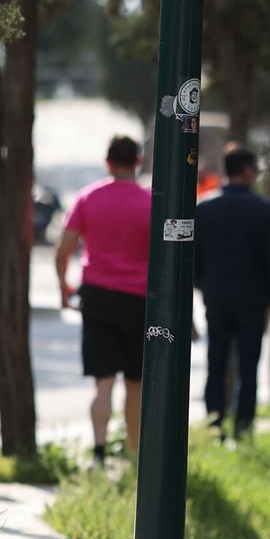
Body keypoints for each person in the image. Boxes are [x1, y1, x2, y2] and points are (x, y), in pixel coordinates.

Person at [56, 135, 151, 463]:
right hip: (138, 299)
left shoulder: (88, 198)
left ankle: (98, 451)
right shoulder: (150, 202)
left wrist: (63, 290)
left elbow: (63, 251)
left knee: (103, 382)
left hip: (96, 295)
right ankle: (133, 451)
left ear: (107, 162)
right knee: (135, 383)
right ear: (137, 162)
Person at [194, 145, 270, 440]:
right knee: (249, 367)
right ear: (247, 170)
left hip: (216, 297)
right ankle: (244, 428)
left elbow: (194, 256)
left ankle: (214, 424)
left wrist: (204, 284)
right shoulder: (263, 209)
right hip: (253, 300)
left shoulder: (205, 207)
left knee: (216, 364)